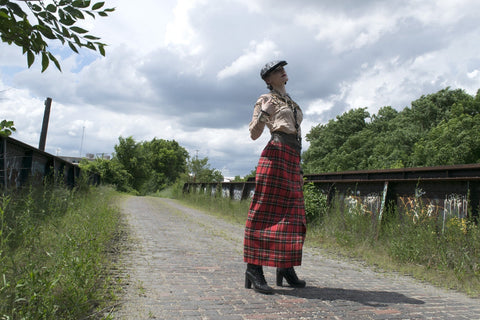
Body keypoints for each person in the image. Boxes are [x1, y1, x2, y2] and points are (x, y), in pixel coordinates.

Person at [243, 60, 307, 294]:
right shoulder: (265, 100)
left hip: (292, 158)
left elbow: (297, 135)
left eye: (283, 68)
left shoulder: (291, 102)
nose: (282, 71)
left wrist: (299, 168)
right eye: (276, 70)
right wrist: (264, 114)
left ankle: (285, 267)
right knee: (262, 213)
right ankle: (254, 269)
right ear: (268, 79)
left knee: (294, 215)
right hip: (275, 154)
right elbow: (253, 134)